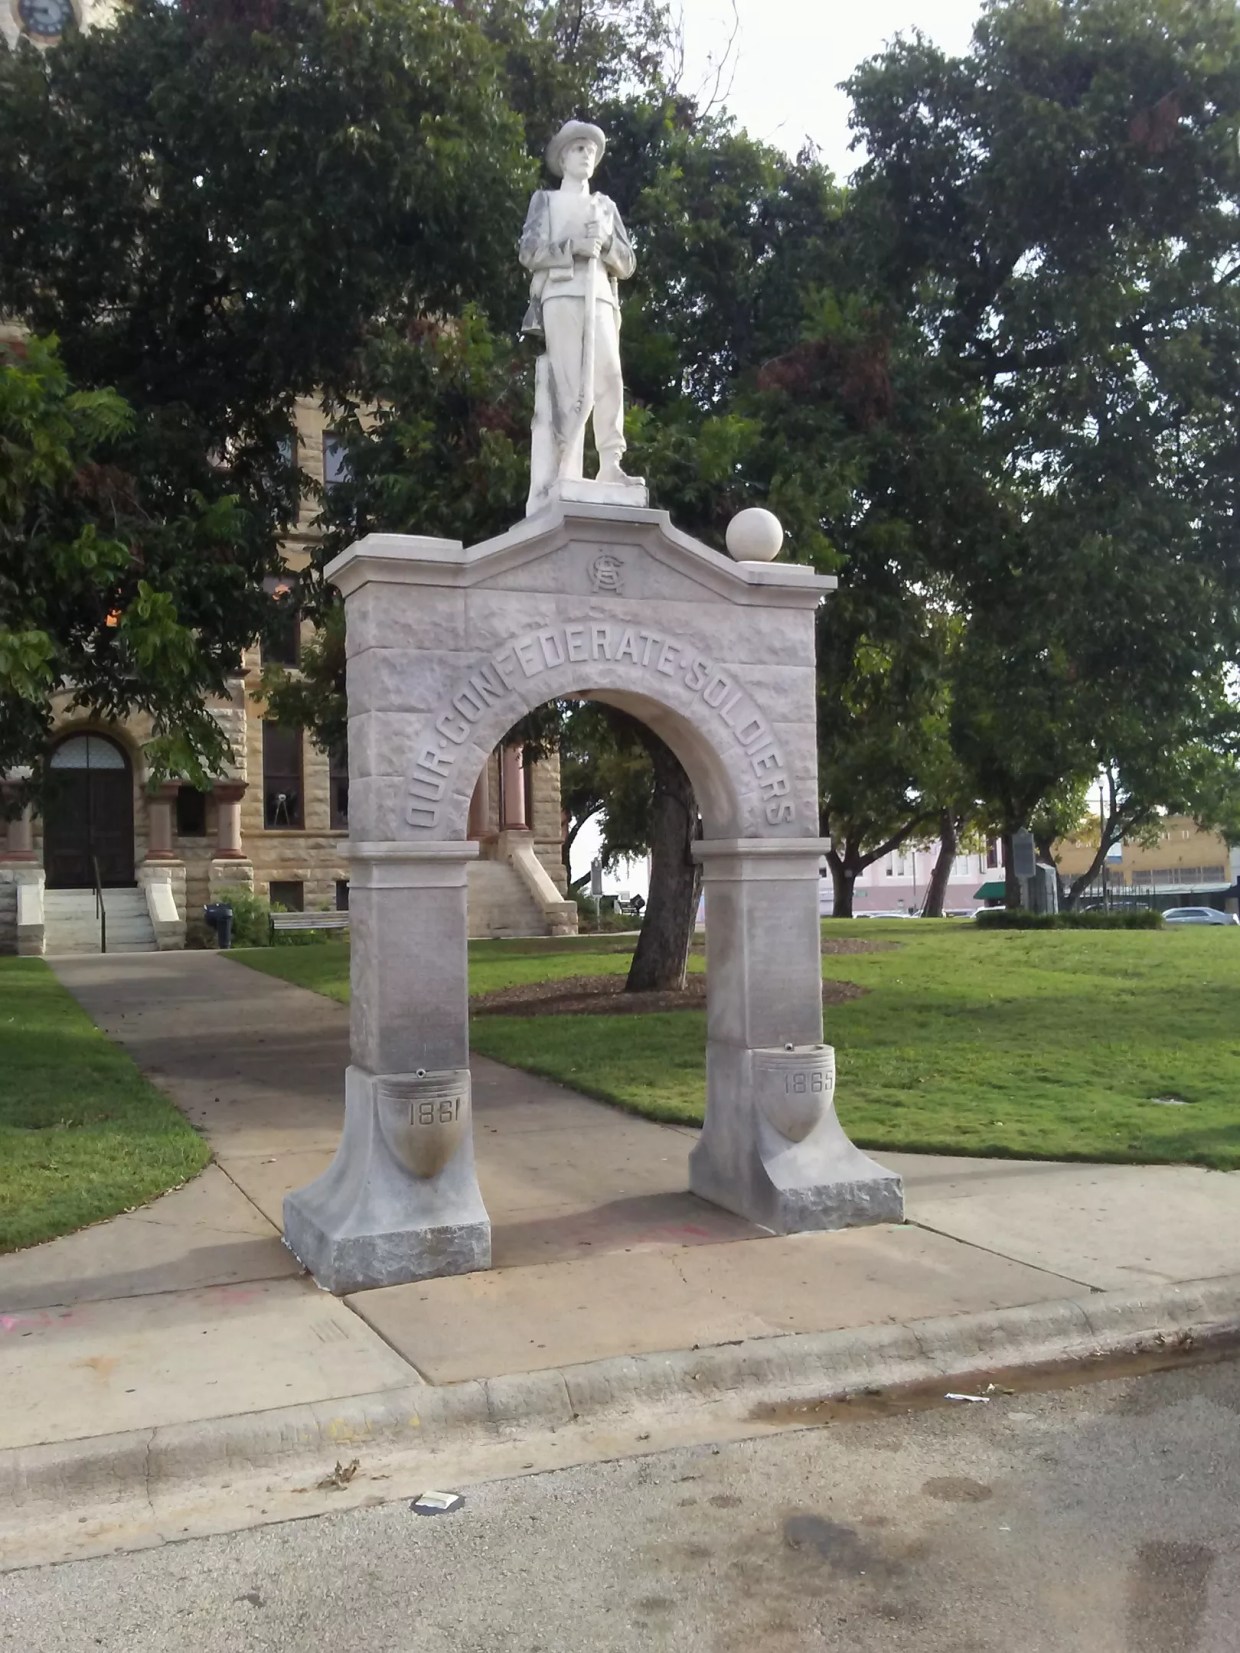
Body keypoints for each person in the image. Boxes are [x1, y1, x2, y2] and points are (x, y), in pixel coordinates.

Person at [520, 120, 638, 513]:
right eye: (578, 149)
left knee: (609, 377)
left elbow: (627, 261)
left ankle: (611, 462)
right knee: (570, 382)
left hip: (600, 297)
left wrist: (603, 246)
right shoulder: (546, 201)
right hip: (561, 293)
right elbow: (530, 251)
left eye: (591, 150)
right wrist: (573, 246)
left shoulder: (605, 207)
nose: (586, 155)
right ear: (563, 157)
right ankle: (565, 464)